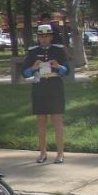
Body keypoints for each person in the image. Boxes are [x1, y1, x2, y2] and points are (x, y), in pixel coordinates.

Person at [22, 25, 69, 164]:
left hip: (55, 87)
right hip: (39, 88)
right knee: (41, 121)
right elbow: (24, 73)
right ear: (38, 37)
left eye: (47, 36)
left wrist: (59, 66)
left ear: (51, 36)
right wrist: (33, 68)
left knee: (57, 121)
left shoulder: (58, 50)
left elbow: (67, 70)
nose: (44, 39)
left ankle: (60, 153)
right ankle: (42, 152)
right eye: (41, 36)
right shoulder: (32, 52)